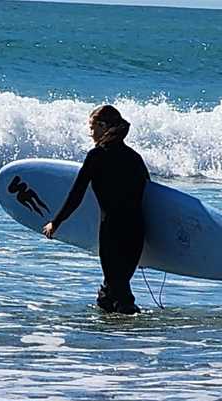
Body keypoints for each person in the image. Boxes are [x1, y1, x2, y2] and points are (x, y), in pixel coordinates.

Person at [42, 105, 150, 314]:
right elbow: (150, 194)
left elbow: (76, 194)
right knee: (113, 289)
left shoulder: (97, 156)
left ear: (102, 126)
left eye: (92, 128)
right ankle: (114, 336)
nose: (90, 133)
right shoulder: (134, 157)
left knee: (119, 292)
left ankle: (137, 335)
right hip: (137, 231)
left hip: (113, 231)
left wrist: (56, 222)